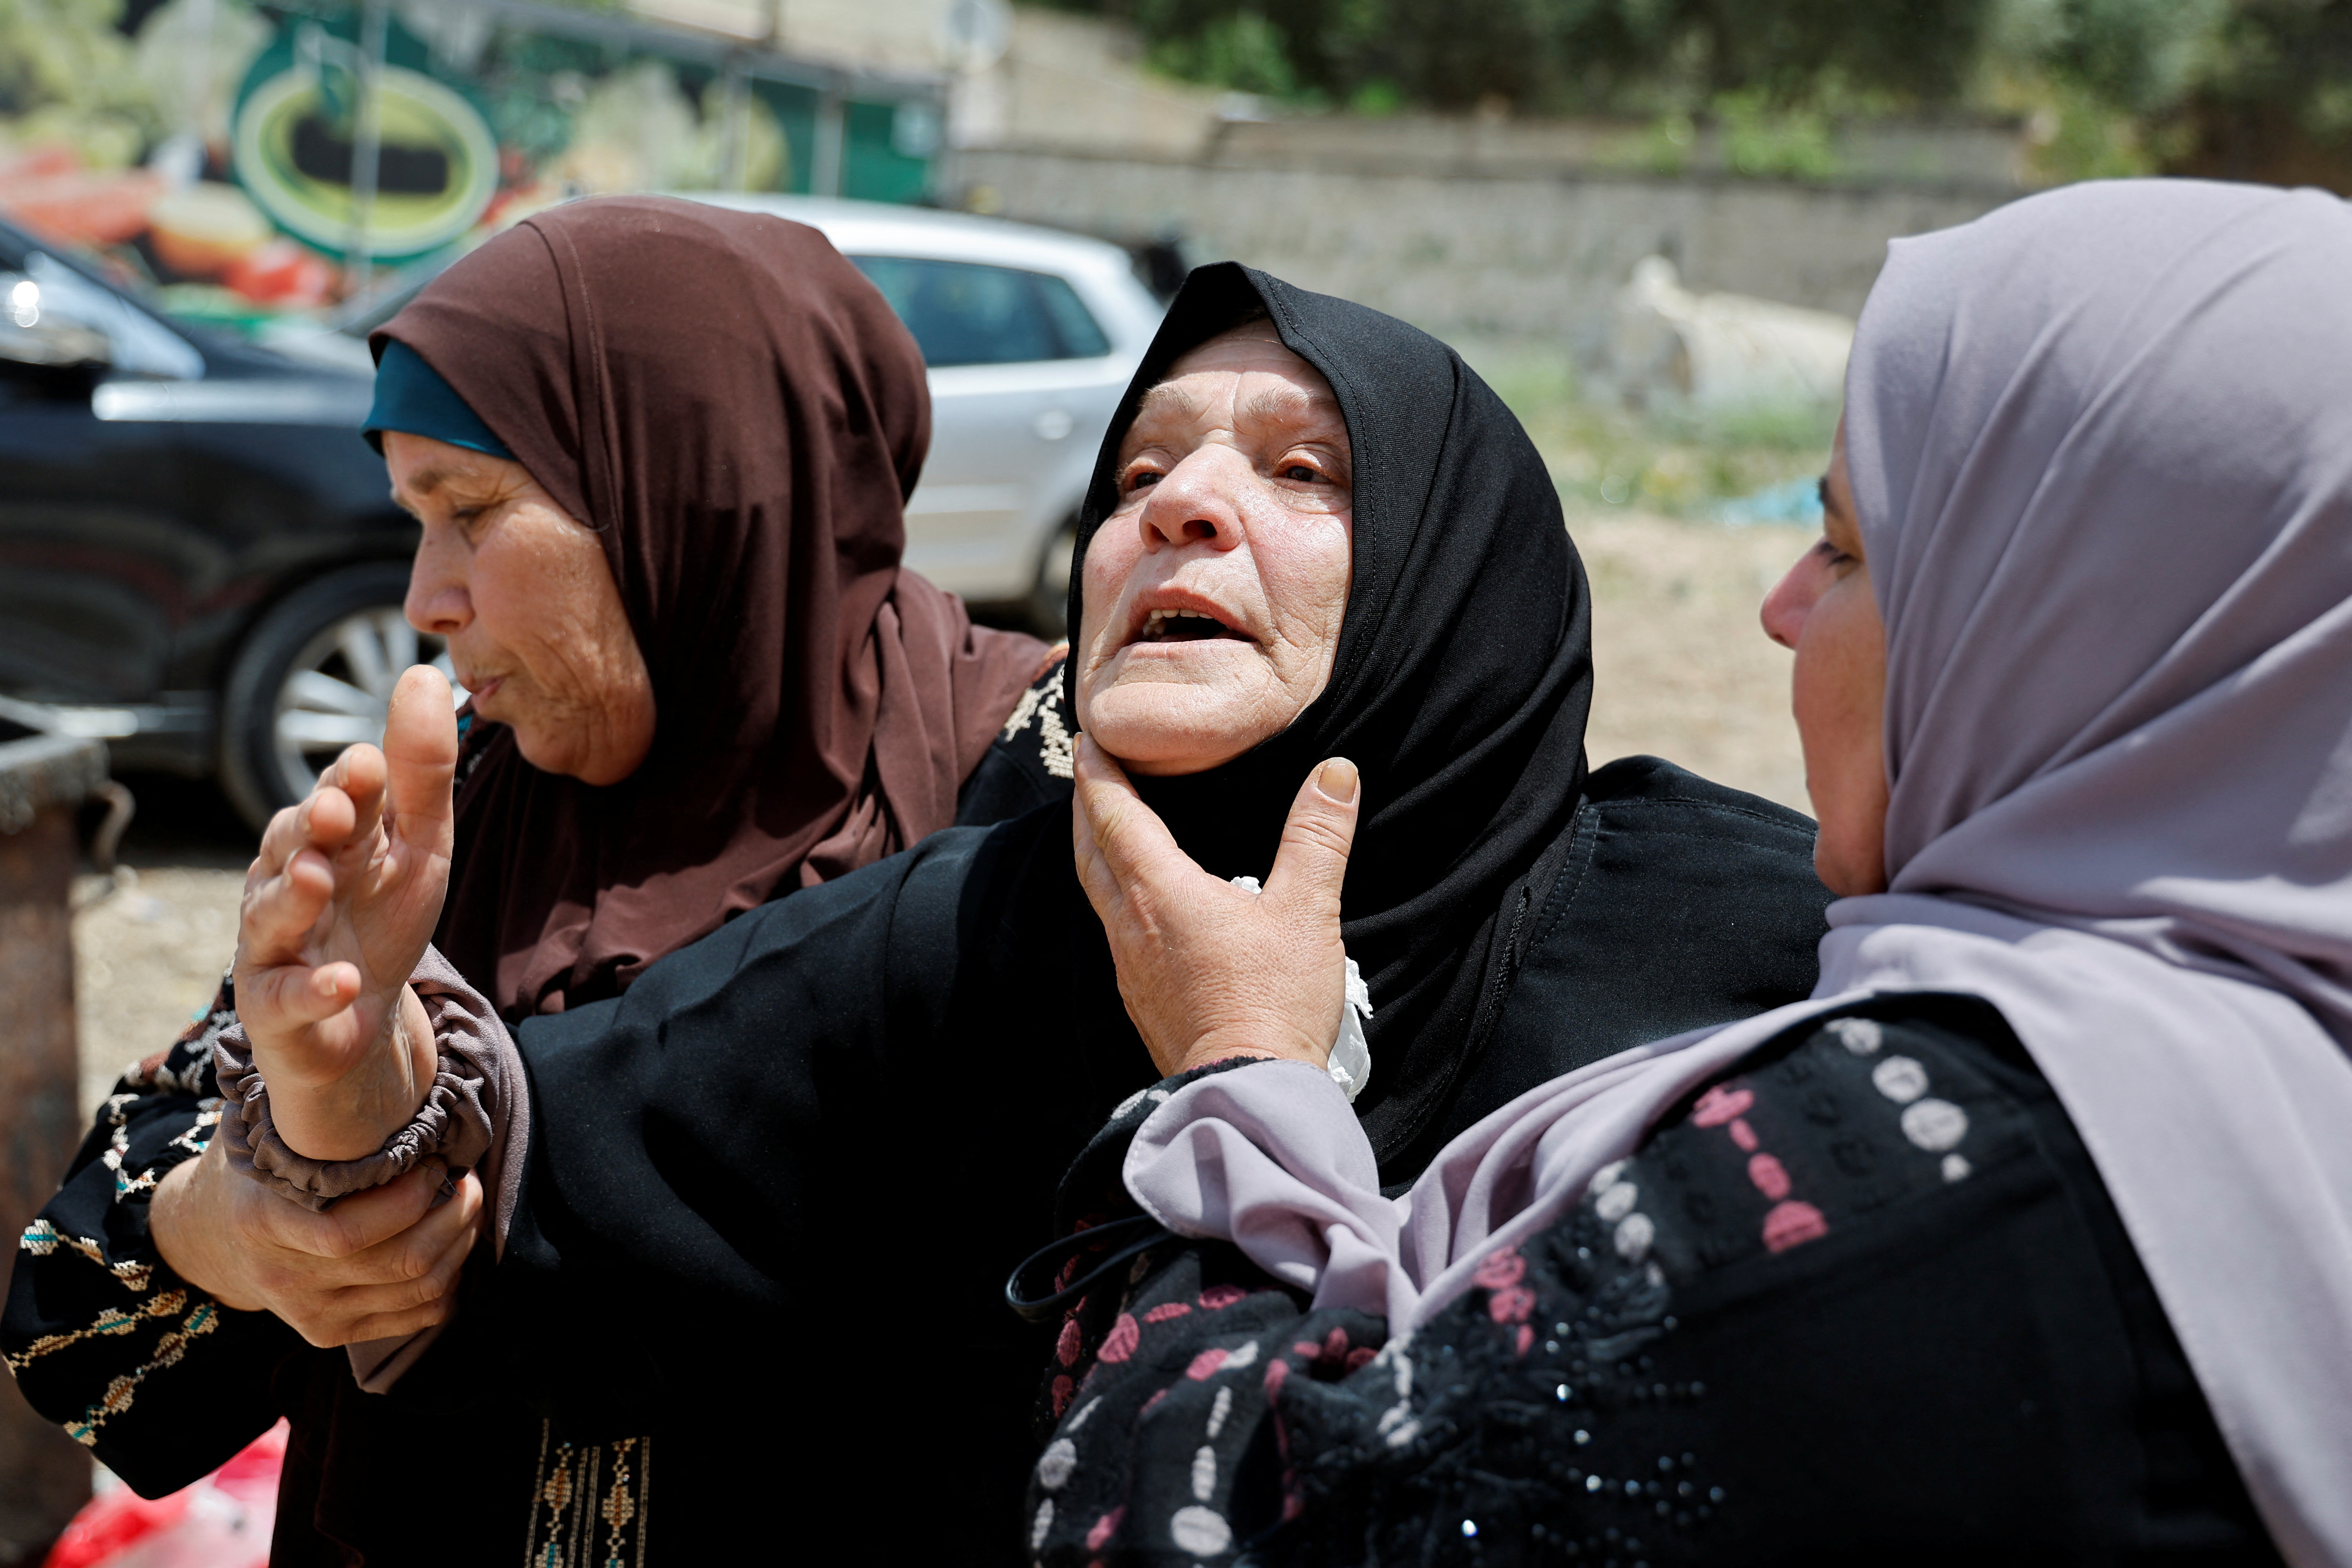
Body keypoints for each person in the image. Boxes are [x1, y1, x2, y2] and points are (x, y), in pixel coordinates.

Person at [170, 264, 1839, 1563]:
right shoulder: (969, 933)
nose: (1179, 508)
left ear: (1454, 567)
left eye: (1302, 467)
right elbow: (551, 1141)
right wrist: (348, 1081)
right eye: (1139, 472)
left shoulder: (1748, 945)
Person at [1026, 179, 2352, 1565]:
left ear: (2079, 624)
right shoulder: (2259, 1079)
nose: (1778, 606)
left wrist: (1238, 1087)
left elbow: (1224, 1527)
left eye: (1845, 544)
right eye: (1137, 474)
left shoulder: (1879, 1182)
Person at [2, 196, 1061, 1564]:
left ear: (694, 477)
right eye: (411, 522)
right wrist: (248, 1222)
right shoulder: (458, 827)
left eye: (473, 511)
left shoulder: (1028, 794)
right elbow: (69, 1310)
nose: (426, 598)